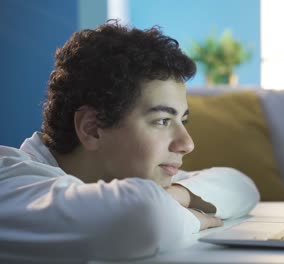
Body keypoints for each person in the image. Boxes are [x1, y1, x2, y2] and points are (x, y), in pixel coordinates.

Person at [0, 21, 259, 262]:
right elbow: (145, 216)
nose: (186, 143)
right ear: (92, 129)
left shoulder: (120, 178)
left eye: (183, 120)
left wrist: (179, 195)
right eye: (162, 121)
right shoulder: (9, 181)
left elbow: (241, 186)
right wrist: (194, 217)